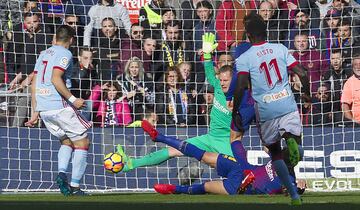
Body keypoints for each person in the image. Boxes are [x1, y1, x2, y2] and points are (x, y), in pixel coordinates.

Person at [116, 33, 254, 173]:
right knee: (173, 150)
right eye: (221, 80)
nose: (222, 83)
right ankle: (131, 163)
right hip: (209, 138)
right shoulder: (217, 85)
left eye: (226, 81)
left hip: (227, 143)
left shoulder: (241, 97)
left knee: (241, 175)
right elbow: (209, 71)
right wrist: (207, 54)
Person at [230, 14, 310, 205]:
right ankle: (294, 145)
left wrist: (236, 111)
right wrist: (306, 94)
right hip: (287, 105)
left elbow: (241, 86)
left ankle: (294, 196)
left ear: (248, 35)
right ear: (265, 31)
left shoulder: (244, 58)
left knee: (275, 154)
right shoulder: (280, 48)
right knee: (296, 149)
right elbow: (302, 72)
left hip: (266, 111)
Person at [141, 120, 305, 196]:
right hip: (241, 167)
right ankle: (160, 137)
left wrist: (299, 188)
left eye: (286, 152)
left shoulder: (289, 178)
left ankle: (173, 190)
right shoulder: (277, 158)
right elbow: (266, 145)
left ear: (292, 159)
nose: (283, 151)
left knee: (205, 187)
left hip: (242, 186)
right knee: (204, 154)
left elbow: (289, 191)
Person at [25, 25, 91, 196]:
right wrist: (73, 99)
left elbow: (34, 83)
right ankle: (75, 187)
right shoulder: (65, 53)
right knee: (83, 143)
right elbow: (55, 78)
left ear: (55, 37)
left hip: (45, 108)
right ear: (71, 40)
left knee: (67, 141)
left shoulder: (44, 53)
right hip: (59, 105)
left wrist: (35, 112)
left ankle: (62, 173)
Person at [341, 54, 360, 124]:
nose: (358, 67)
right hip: (357, 124)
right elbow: (345, 106)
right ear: (352, 67)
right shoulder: (349, 83)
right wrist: (353, 122)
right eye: (355, 64)